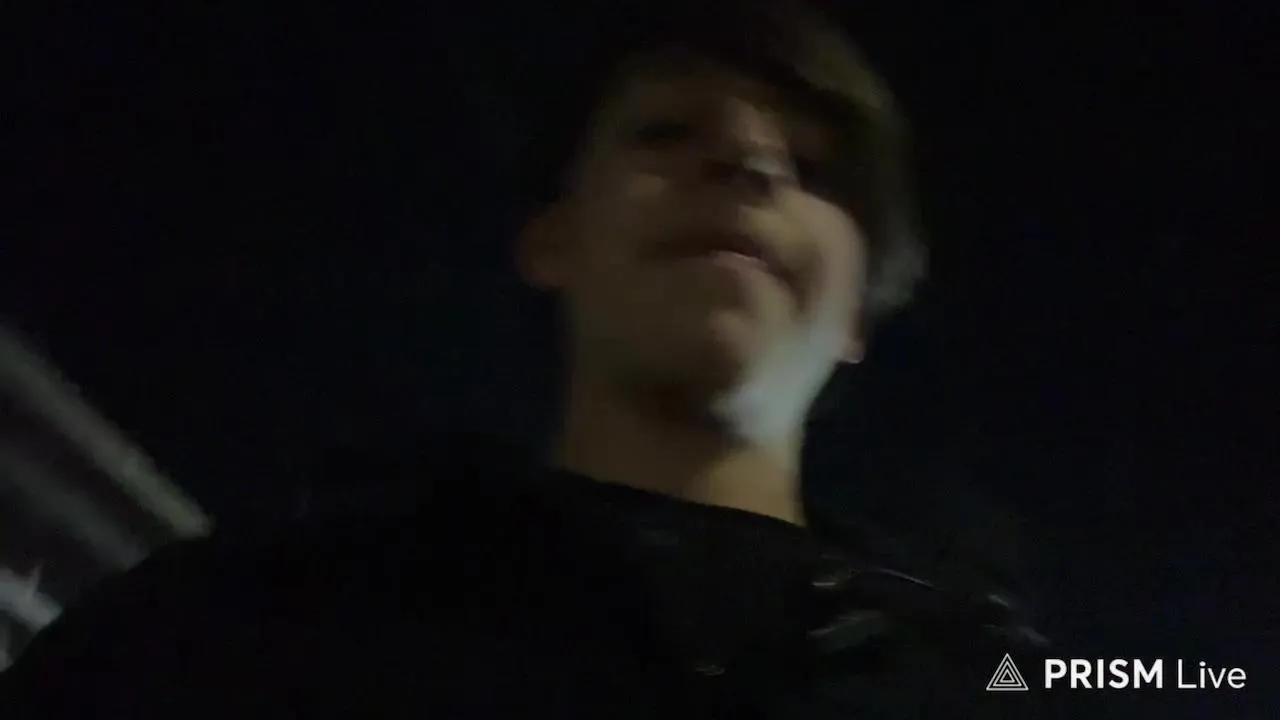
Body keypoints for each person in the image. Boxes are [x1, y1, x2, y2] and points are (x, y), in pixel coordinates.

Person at [1, 0, 1069, 717]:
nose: (748, 164)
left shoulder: (994, 681)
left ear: (856, 317)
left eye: (813, 169)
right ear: (550, 237)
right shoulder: (258, 617)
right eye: (666, 131)